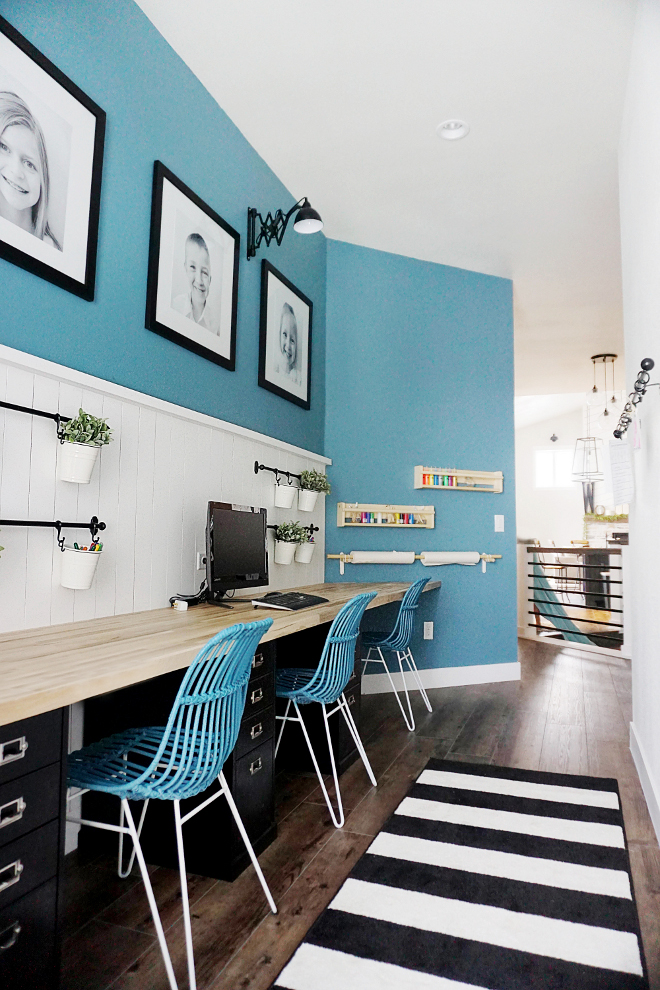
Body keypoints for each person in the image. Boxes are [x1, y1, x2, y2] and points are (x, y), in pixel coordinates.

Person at [0, 91, 61, 250]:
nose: (16, 172)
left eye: (29, 164)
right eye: (4, 147)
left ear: (43, 181)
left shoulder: (52, 251)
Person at [171, 231, 219, 334]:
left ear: (210, 279)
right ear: (186, 268)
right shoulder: (175, 306)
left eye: (205, 272)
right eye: (193, 267)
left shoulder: (215, 325)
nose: (199, 280)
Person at [275, 302, 301, 385]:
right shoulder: (274, 369)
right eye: (285, 335)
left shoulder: (298, 377)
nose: (288, 345)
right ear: (279, 335)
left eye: (292, 340)